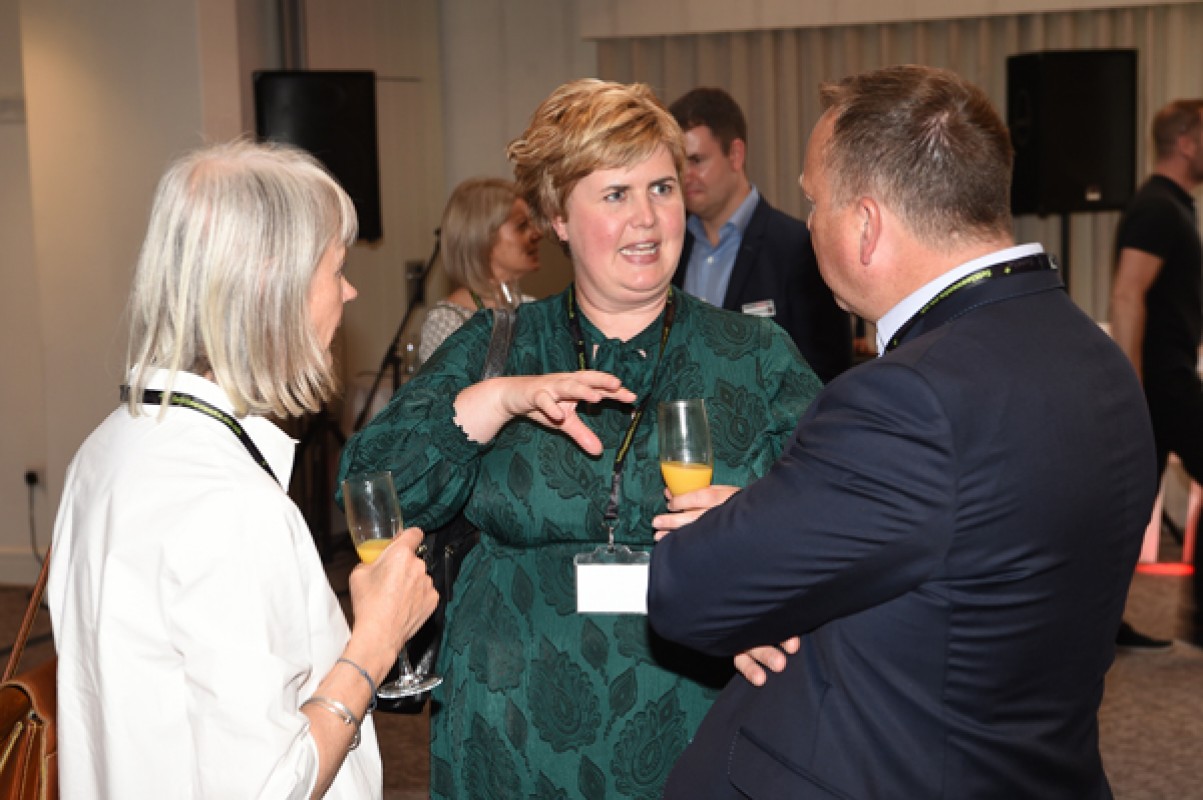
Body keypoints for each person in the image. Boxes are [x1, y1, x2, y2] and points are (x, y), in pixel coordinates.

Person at [648, 65, 1157, 798]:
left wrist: (749, 529)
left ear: (865, 224)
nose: (808, 224)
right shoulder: (1096, 358)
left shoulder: (908, 398)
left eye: (814, 202)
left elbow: (686, 590)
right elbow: (955, 545)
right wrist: (778, 521)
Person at [337, 79, 820, 799]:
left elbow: (845, 517)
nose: (647, 219)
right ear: (558, 217)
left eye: (661, 188)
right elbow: (368, 487)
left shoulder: (754, 357)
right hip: (508, 733)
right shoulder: (497, 346)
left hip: (697, 717)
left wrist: (759, 535)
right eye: (615, 194)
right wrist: (490, 402)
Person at [47, 141, 439, 799]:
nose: (349, 291)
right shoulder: (229, 505)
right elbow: (269, 788)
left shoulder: (107, 448)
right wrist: (376, 640)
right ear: (270, 286)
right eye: (336, 267)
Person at [668, 86, 852, 383]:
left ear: (735, 155)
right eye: (679, 164)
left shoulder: (801, 249)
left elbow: (826, 374)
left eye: (697, 160)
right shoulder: (669, 249)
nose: (685, 176)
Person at [1111, 98, 1203, 650]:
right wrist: (1132, 389)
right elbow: (1127, 294)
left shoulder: (1173, 207)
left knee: (1131, 507)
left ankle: (1104, 625)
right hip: (1161, 385)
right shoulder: (1157, 208)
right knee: (1128, 508)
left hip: (1168, 379)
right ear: (1186, 142)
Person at [418, 177, 541, 364]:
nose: (537, 233)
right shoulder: (449, 322)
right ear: (484, 237)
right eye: (522, 226)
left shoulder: (532, 309)